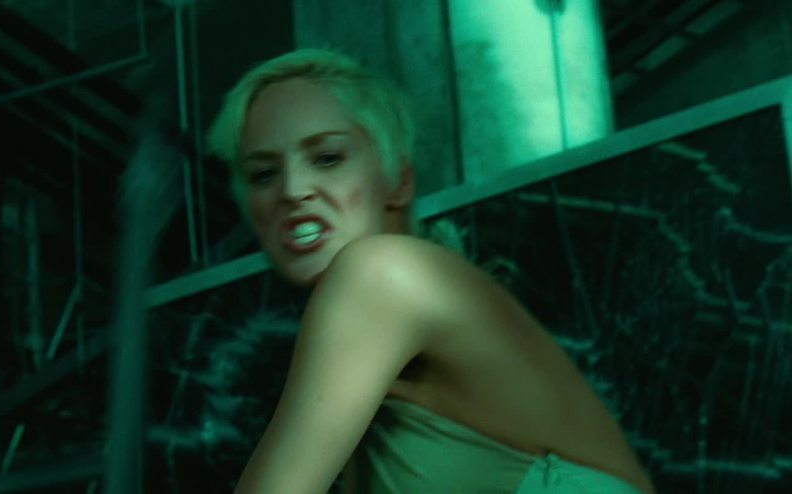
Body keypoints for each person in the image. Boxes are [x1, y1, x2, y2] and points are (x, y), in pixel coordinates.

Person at [207, 48, 657, 494]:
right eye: (263, 174)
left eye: (327, 158)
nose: (292, 190)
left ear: (398, 181)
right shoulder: (370, 386)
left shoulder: (380, 274)